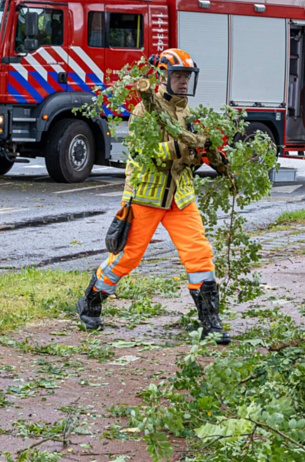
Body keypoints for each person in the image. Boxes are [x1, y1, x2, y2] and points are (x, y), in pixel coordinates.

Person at [76, 49, 234, 344]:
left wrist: (208, 156)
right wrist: (184, 150)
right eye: (178, 76)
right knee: (127, 257)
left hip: (180, 197)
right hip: (146, 196)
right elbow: (144, 154)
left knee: (199, 255)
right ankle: (91, 301)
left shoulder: (187, 112)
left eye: (187, 76)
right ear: (163, 77)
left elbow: (195, 153)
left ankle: (210, 321)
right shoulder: (143, 111)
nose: (184, 82)